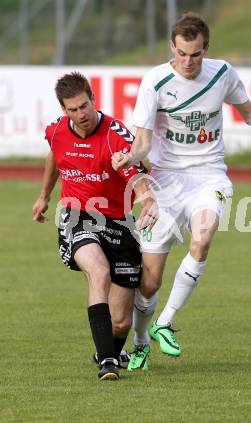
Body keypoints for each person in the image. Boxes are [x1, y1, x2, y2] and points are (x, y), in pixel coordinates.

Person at [112, 13, 251, 370]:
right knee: (149, 281)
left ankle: (167, 322)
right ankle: (142, 342)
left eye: (195, 54)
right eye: (181, 53)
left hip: (210, 175)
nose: (188, 62)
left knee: (204, 235)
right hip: (166, 180)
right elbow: (143, 141)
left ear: (205, 49)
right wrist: (128, 156)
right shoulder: (155, 81)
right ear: (172, 47)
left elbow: (250, 113)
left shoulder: (222, 73)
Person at [32, 72, 157, 380]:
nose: (80, 114)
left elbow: (136, 172)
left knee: (121, 323)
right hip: (77, 216)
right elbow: (55, 155)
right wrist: (44, 195)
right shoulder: (58, 131)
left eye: (84, 106)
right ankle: (108, 363)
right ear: (63, 109)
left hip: (118, 222)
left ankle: (109, 349)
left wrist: (146, 198)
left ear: (93, 99)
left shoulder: (116, 134)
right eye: (72, 109)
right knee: (98, 271)